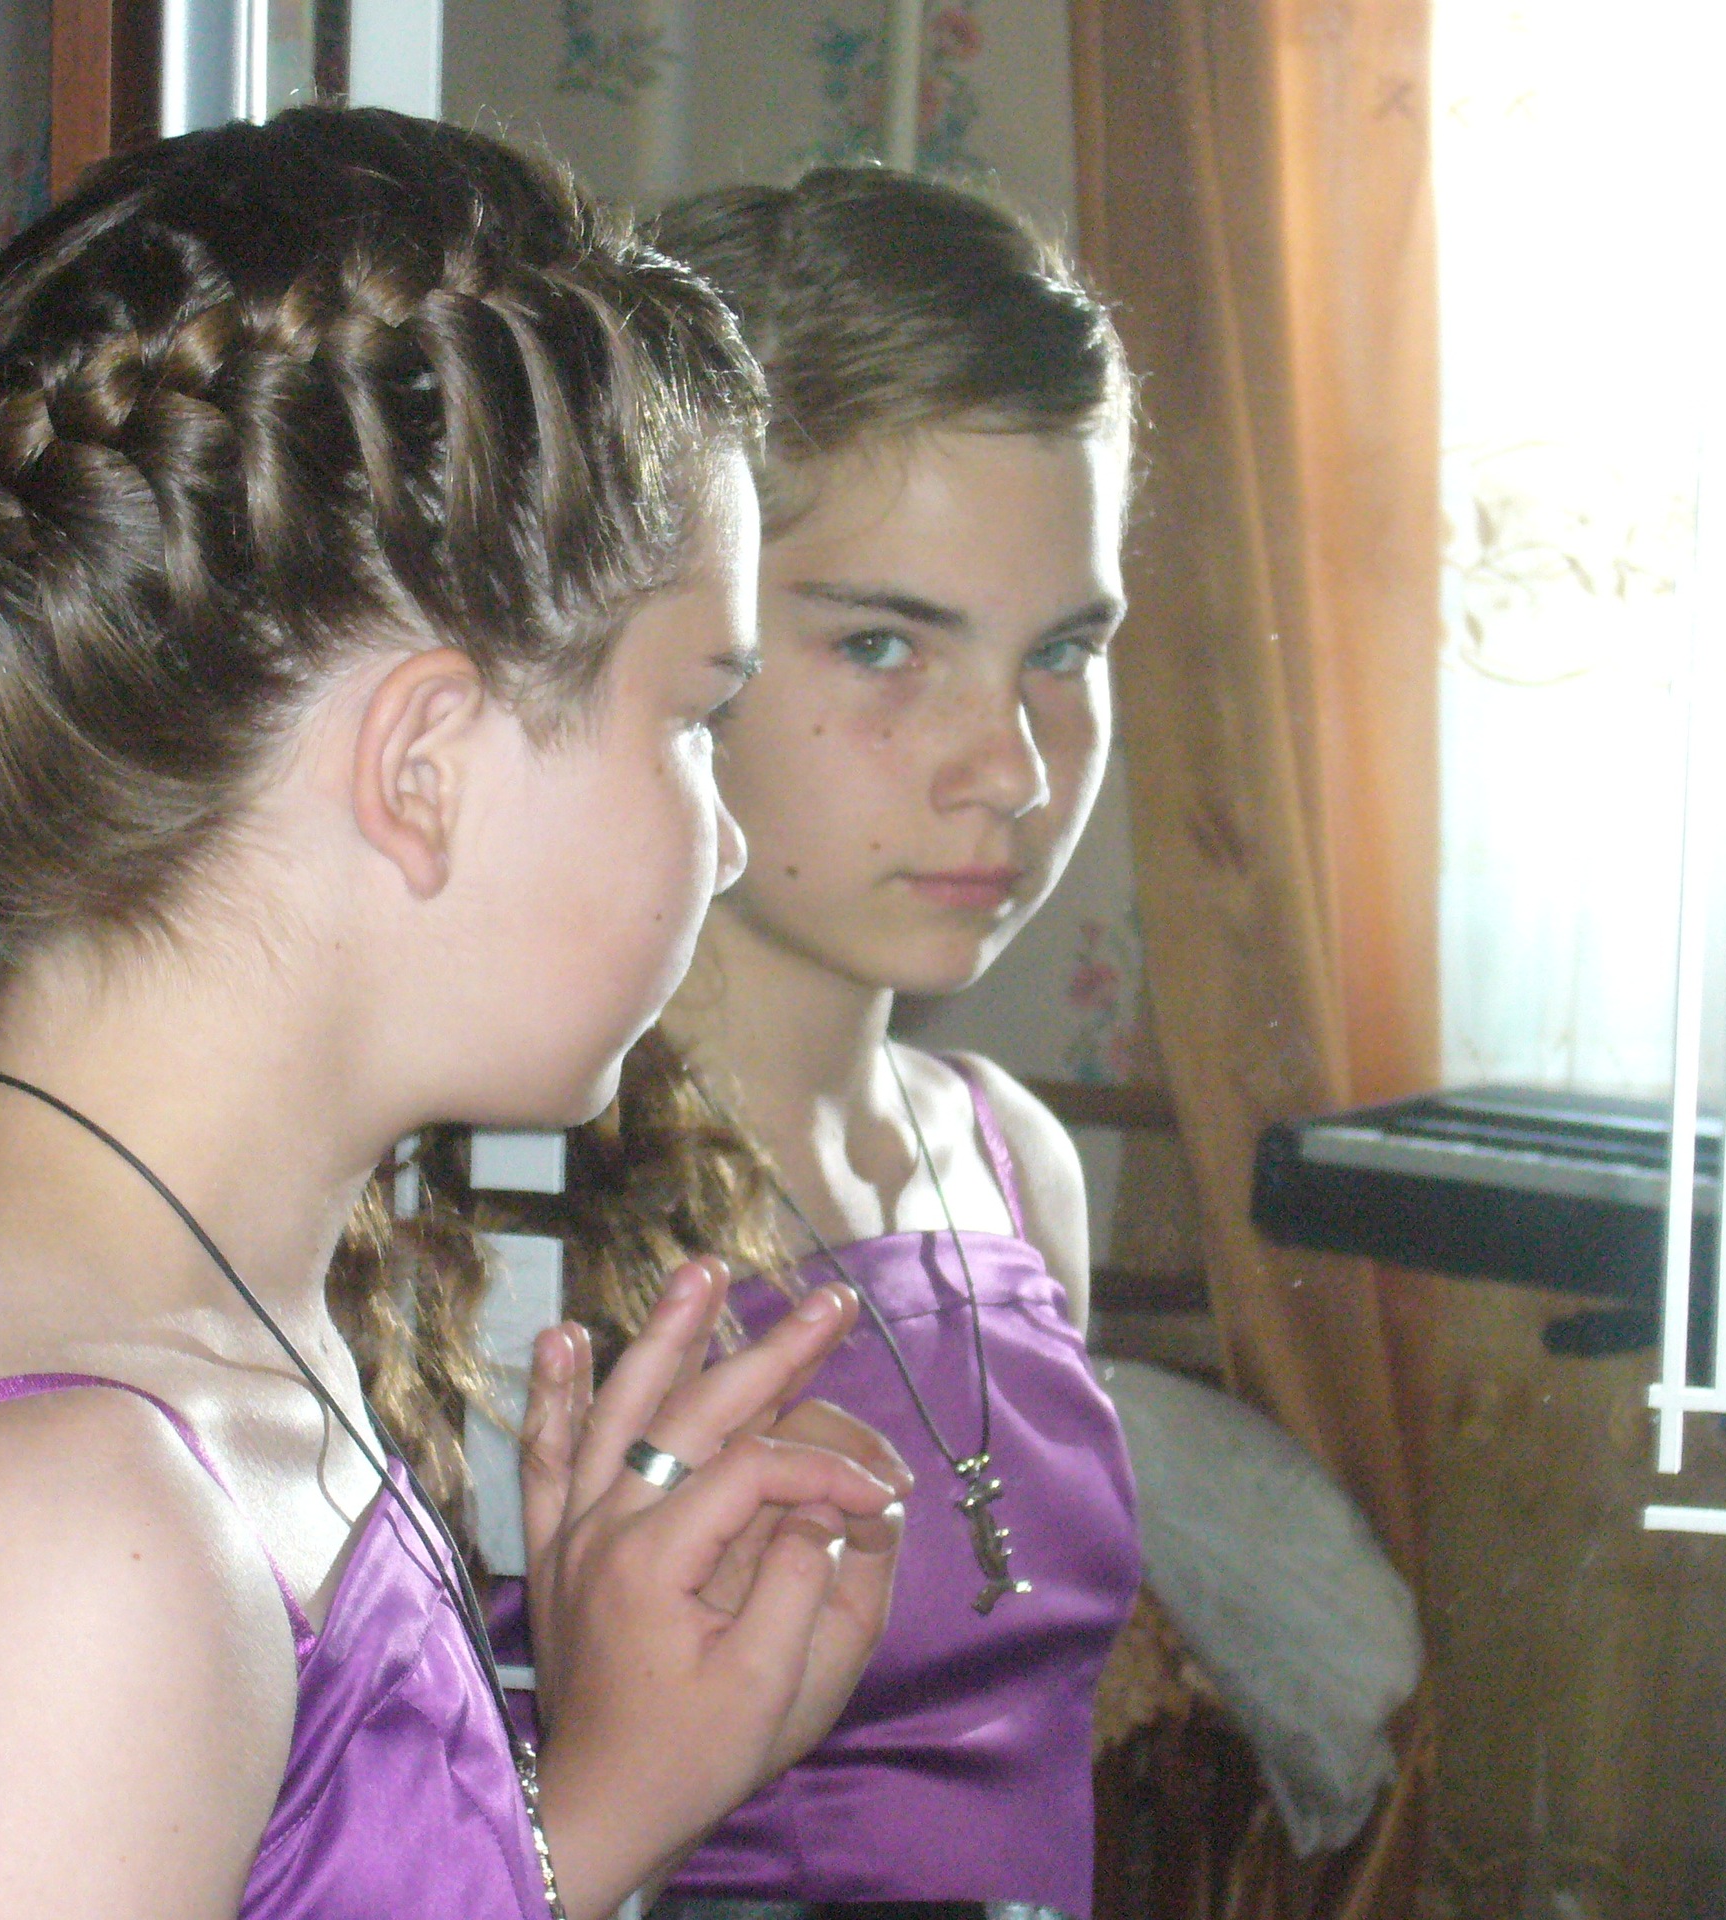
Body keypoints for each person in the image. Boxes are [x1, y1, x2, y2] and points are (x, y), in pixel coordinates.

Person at [0, 110, 916, 1920]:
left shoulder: (198, 1340)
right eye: (694, 718)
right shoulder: (51, 1558)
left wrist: (602, 1807)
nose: (728, 830)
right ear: (426, 766)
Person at [470, 167, 1142, 1920]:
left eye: (1063, 651)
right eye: (885, 645)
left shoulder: (1012, 1163)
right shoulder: (499, 1223)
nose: (1012, 766)